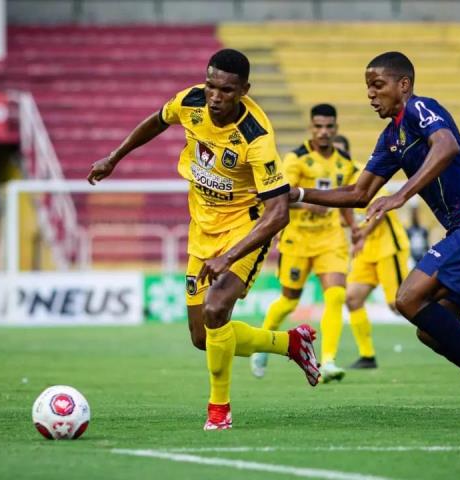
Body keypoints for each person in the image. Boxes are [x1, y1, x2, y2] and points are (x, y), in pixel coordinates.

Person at [289, 51, 460, 428]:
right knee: (432, 331)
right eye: (367, 88)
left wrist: (400, 195)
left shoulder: (421, 108)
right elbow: (359, 193)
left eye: (378, 85)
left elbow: (446, 146)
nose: (371, 95)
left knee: (407, 297)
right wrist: (296, 194)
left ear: (403, 85)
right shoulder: (391, 137)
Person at [87, 49, 320, 431]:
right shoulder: (191, 100)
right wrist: (114, 157)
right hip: (202, 229)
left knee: (215, 310)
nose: (214, 96)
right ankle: (291, 344)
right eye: (211, 85)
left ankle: (219, 410)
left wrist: (229, 256)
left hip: (247, 229)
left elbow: (279, 213)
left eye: (226, 90)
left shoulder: (256, 137)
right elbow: (158, 120)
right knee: (203, 337)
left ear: (244, 90)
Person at [250, 104, 357, 383]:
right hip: (297, 239)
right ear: (311, 127)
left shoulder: (344, 162)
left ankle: (330, 360)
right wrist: (311, 202)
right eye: (318, 126)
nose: (324, 132)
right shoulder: (295, 159)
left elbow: (347, 197)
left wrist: (355, 227)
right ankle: (261, 347)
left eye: (329, 127)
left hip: (330, 238)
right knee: (288, 300)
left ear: (336, 128)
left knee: (335, 294)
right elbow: (277, 197)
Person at [334, 134, 411, 369]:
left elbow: (381, 209)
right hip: (365, 250)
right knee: (352, 298)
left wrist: (362, 235)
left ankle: (451, 317)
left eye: (340, 151)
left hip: (387, 246)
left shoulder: (365, 174)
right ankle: (367, 356)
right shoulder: (332, 179)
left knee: (399, 305)